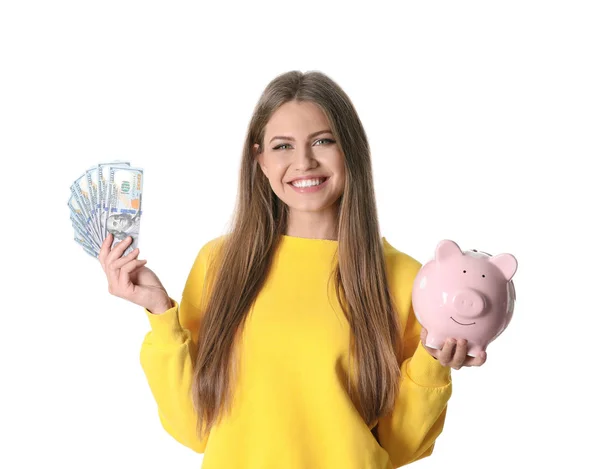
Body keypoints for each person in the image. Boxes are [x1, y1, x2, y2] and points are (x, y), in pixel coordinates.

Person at [99, 70, 486, 469]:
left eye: (323, 141)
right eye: (282, 146)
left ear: (350, 149)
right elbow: (193, 428)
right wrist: (163, 315)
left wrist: (433, 361)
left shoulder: (406, 278)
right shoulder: (220, 263)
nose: (304, 162)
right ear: (260, 160)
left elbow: (400, 447)